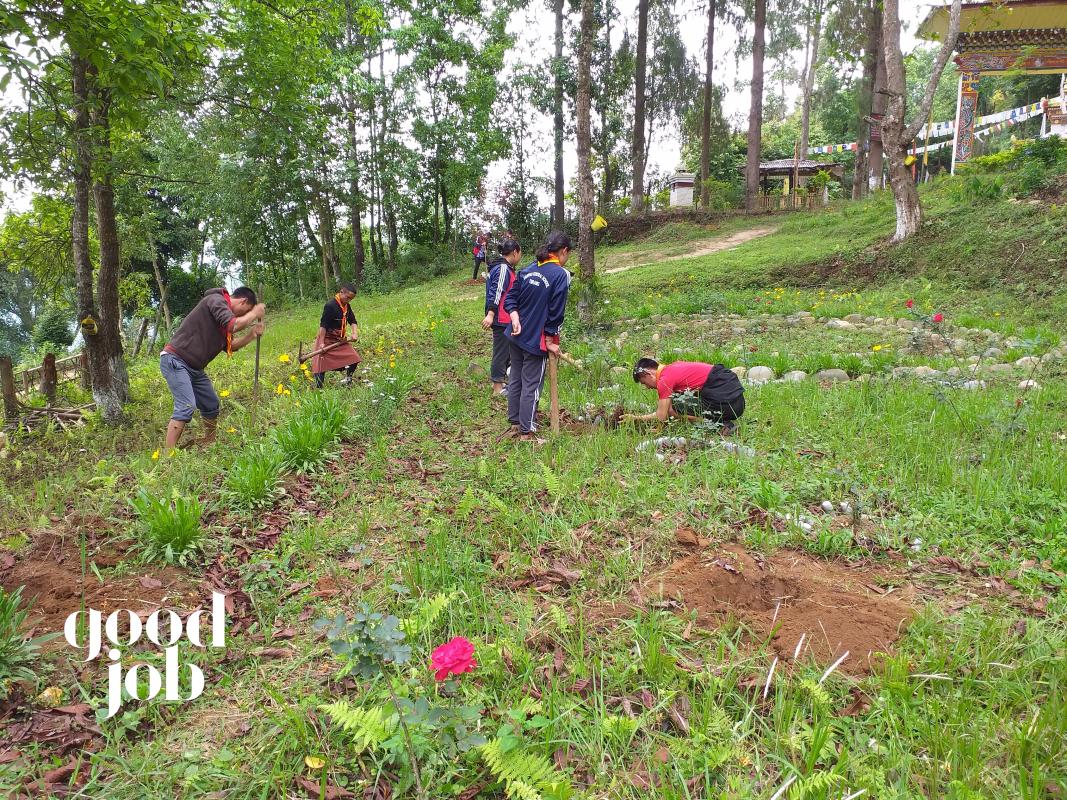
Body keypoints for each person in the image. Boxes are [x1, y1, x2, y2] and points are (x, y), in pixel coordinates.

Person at [160, 286, 265, 451]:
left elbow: (231, 346)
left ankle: (209, 441)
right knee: (186, 405)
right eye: (246, 311)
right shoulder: (216, 300)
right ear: (244, 301)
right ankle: (168, 455)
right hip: (175, 360)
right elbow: (233, 325)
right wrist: (254, 313)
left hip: (195, 368)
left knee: (211, 403)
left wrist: (251, 335)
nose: (243, 316)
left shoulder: (222, 319)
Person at [503, 231, 571, 441]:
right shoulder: (560, 275)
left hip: (515, 335)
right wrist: (549, 340)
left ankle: (516, 423)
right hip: (535, 340)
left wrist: (514, 317)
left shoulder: (528, 269)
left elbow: (510, 299)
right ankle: (527, 433)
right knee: (531, 385)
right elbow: (556, 312)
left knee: (515, 379)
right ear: (563, 252)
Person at [625, 357, 745, 434]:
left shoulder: (664, 379)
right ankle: (720, 420)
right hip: (737, 403)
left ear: (648, 374)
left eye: (644, 383)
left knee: (675, 406)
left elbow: (662, 415)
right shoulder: (674, 367)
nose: (647, 387)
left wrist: (642, 421)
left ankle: (720, 425)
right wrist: (637, 418)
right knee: (676, 402)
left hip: (727, 403)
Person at [482, 239, 523, 395]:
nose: (520, 256)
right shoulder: (503, 269)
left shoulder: (504, 268)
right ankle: (497, 389)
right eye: (520, 253)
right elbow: (496, 291)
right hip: (501, 318)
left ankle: (504, 384)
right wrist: (491, 314)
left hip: (506, 318)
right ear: (515, 252)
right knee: (500, 353)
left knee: (507, 352)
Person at [312, 283, 362, 388]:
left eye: (351, 299)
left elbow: (353, 321)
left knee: (354, 359)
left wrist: (354, 333)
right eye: (347, 297)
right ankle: (319, 390)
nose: (348, 300)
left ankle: (348, 381)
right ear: (341, 292)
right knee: (320, 365)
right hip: (326, 338)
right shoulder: (330, 305)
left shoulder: (346, 306)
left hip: (339, 340)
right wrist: (321, 343)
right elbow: (323, 326)